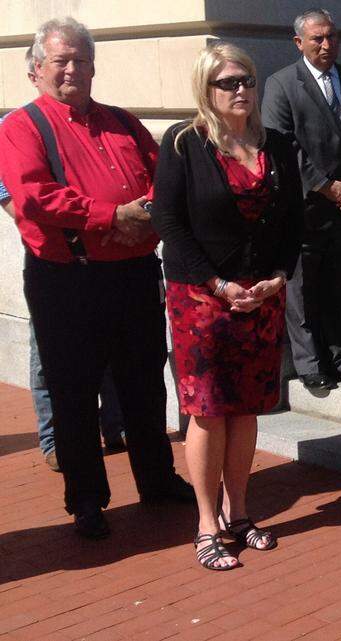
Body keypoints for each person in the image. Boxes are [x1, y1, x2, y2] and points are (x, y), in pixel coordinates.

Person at [0, 17, 194, 540]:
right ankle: (87, 499)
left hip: (133, 273)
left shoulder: (123, 122)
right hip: (68, 280)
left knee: (144, 384)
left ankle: (156, 480)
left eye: (81, 60)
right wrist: (112, 218)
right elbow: (35, 196)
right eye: (60, 60)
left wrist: (148, 218)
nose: (72, 70)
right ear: (36, 69)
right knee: (74, 392)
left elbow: (163, 180)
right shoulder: (22, 126)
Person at [151, 43, 303, 570]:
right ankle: (205, 523)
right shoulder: (182, 144)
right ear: (206, 89)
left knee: (246, 410)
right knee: (209, 412)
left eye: (248, 80)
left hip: (261, 298)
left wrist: (278, 277)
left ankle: (240, 513)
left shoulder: (278, 145)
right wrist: (219, 285)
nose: (241, 90)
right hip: (201, 300)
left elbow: (293, 224)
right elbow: (170, 226)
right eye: (228, 82)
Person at [261, 9, 341, 392]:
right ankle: (310, 363)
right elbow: (281, 144)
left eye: (332, 37)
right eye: (317, 39)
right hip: (305, 208)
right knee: (304, 289)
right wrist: (325, 185)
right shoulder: (281, 84)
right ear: (299, 43)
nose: (327, 45)